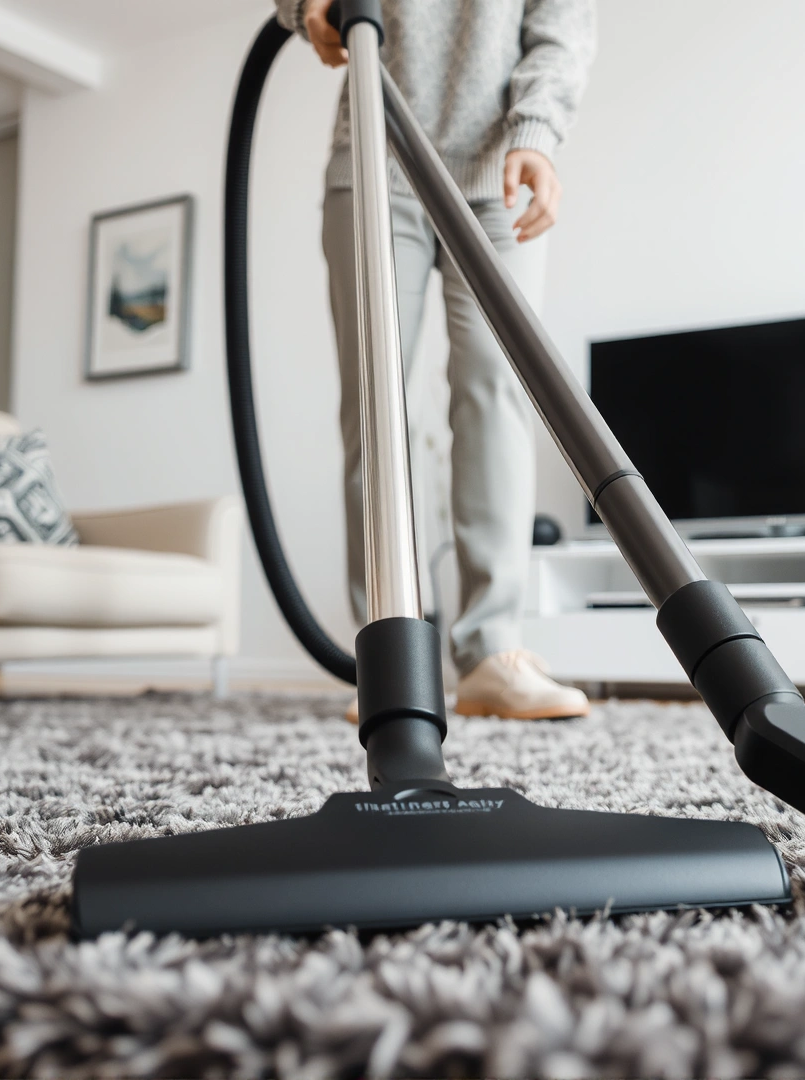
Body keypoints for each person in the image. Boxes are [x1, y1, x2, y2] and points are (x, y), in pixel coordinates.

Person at [276, 0, 597, 720]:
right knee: (380, 407)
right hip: (375, 158)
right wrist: (307, 8)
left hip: (500, 171)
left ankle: (491, 652)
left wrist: (538, 129)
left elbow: (563, 24)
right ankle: (394, 655)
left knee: (497, 396)